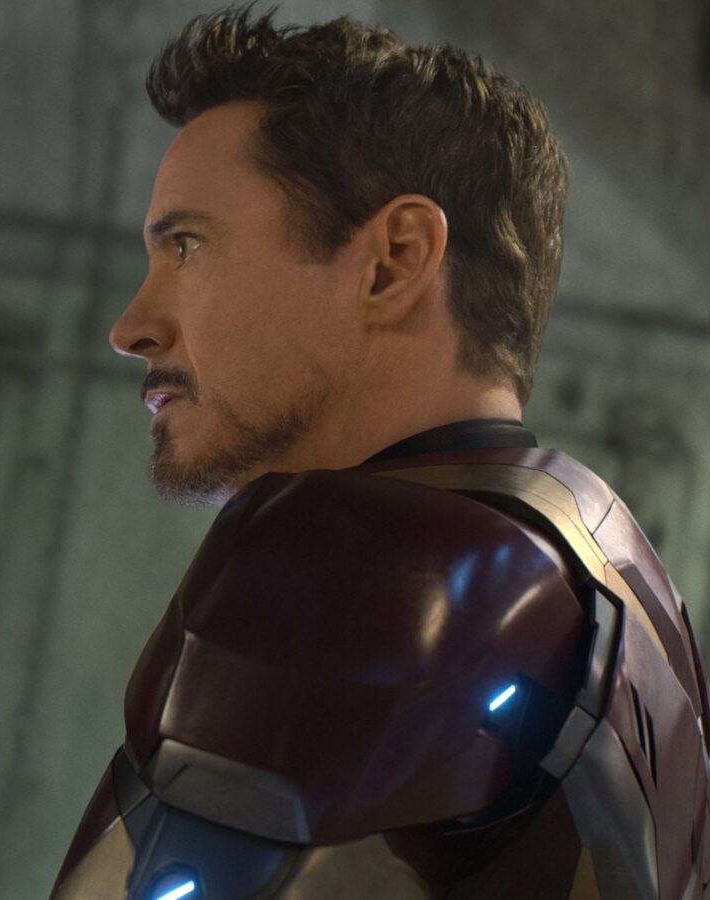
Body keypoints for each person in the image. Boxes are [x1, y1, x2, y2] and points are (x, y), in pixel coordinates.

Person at [51, 9, 708, 899]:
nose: (133, 327)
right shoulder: (609, 559)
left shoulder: (359, 564)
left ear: (393, 261)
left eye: (187, 247)